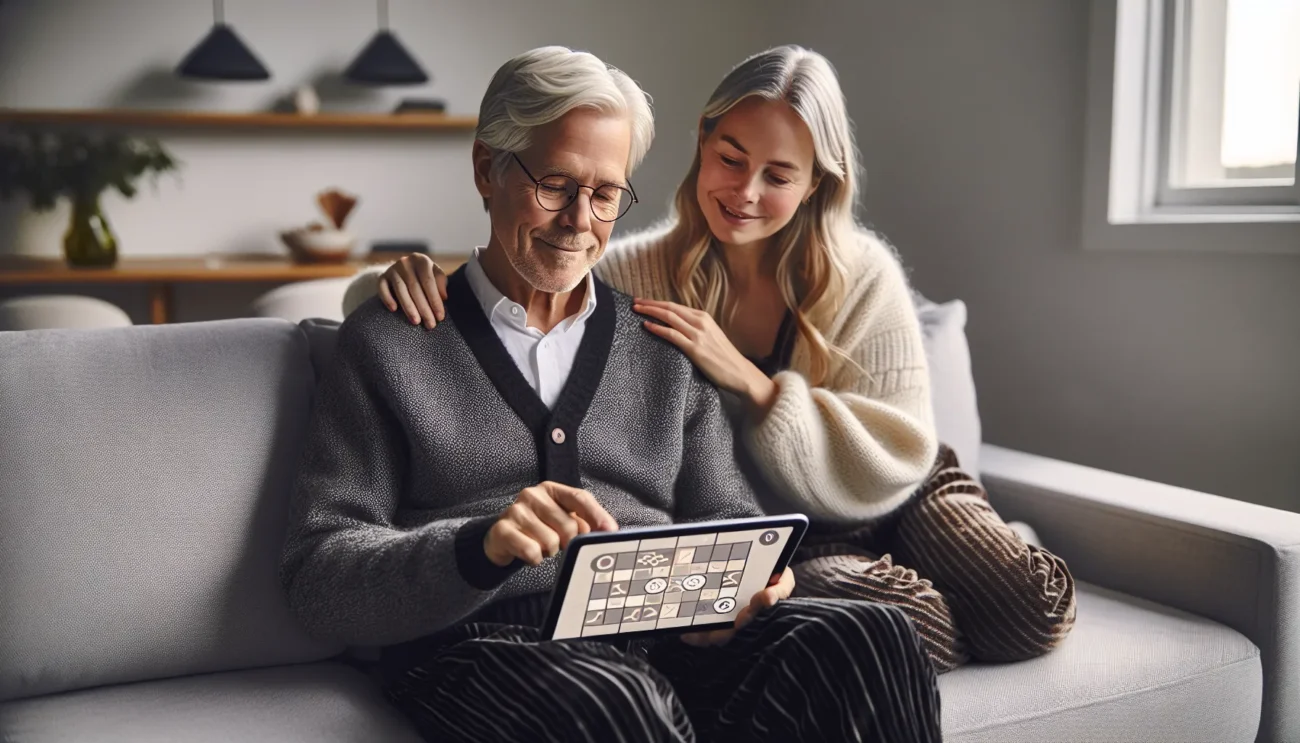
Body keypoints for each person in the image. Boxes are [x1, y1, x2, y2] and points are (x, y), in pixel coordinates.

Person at [281, 46, 942, 743]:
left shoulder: (661, 343)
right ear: (486, 169)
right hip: (485, 647)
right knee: (616, 705)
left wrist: (743, 590)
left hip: (665, 640)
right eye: (555, 184)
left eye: (604, 195)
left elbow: (728, 514)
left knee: (871, 633)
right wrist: (477, 546)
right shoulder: (392, 342)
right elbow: (317, 576)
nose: (578, 220)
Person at [347, 44, 1077, 673]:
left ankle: (997, 550)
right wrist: (382, 282)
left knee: (1031, 610)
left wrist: (756, 386)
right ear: (703, 142)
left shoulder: (862, 274)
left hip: (902, 485)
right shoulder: (633, 271)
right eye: (730, 158)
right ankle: (928, 592)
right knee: (897, 625)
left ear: (816, 181)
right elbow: (524, 273)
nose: (746, 192)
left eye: (779, 175)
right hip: (800, 530)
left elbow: (896, 451)